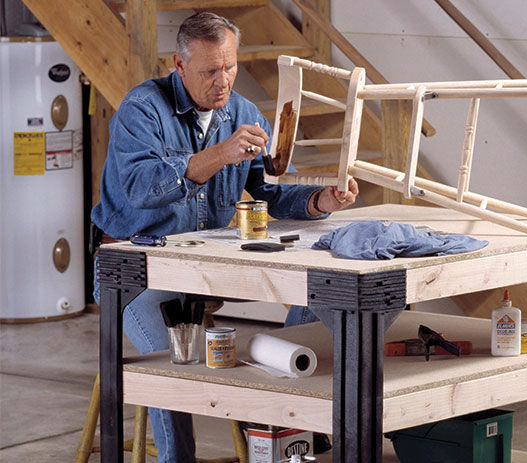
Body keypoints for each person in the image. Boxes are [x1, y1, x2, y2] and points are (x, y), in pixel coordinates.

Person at [91, 12, 358, 463]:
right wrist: (221, 152)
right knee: (175, 361)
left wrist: (321, 201)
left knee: (316, 295)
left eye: (230, 66)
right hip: (135, 271)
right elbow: (140, 186)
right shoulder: (142, 108)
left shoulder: (243, 112)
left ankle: (283, 431)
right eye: (210, 71)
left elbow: (271, 193)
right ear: (179, 64)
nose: (223, 81)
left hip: (207, 268)